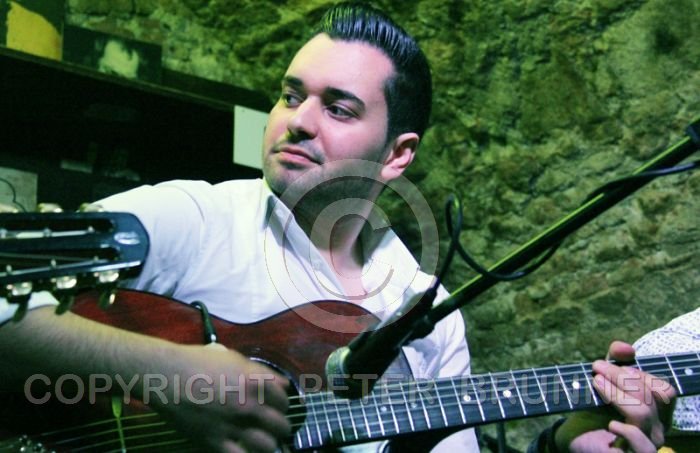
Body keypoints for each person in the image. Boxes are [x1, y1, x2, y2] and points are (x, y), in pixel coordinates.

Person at [0, 2, 675, 452]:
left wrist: (562, 442)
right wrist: (166, 372)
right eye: (291, 94)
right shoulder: (195, 218)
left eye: (339, 108)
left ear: (398, 155)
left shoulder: (427, 311)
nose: (297, 120)